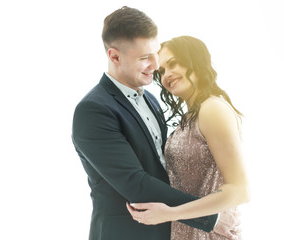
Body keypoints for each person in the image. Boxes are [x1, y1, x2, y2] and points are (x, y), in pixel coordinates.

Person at [72, 7, 238, 240]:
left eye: (155, 53)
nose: (156, 64)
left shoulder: (151, 99)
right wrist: (211, 218)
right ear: (115, 56)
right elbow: (135, 183)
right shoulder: (94, 110)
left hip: (168, 229)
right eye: (144, 58)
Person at [126, 36, 250, 239]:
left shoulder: (213, 109)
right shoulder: (191, 116)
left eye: (173, 64)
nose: (166, 76)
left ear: (195, 60)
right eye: (162, 71)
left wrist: (171, 213)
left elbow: (240, 189)